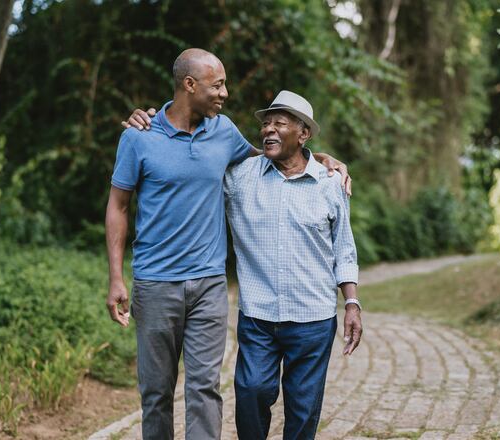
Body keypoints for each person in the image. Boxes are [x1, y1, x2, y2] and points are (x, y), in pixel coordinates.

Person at [107, 49, 348, 440]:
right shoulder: (139, 136)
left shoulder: (223, 132)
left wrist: (318, 157)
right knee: (156, 393)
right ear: (190, 84)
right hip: (154, 284)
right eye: (217, 84)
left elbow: (271, 159)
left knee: (204, 389)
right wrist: (117, 277)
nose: (225, 93)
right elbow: (118, 206)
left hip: (208, 285)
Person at [224, 90, 362, 440]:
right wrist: (154, 121)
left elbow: (344, 249)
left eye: (280, 124)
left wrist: (351, 302)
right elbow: (193, 163)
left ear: (303, 134)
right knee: (251, 392)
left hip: (313, 319)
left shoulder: (330, 184)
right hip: (258, 316)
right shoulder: (241, 177)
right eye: (266, 123)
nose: (268, 130)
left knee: (303, 409)